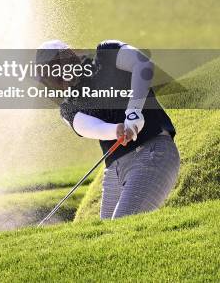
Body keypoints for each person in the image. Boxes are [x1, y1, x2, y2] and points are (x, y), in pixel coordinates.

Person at [36, 39, 180, 219]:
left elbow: (142, 64)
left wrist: (134, 111)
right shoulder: (68, 107)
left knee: (122, 227)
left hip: (151, 152)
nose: (57, 81)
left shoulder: (106, 55)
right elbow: (88, 127)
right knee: (107, 236)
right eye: (50, 79)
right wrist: (116, 130)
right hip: (114, 170)